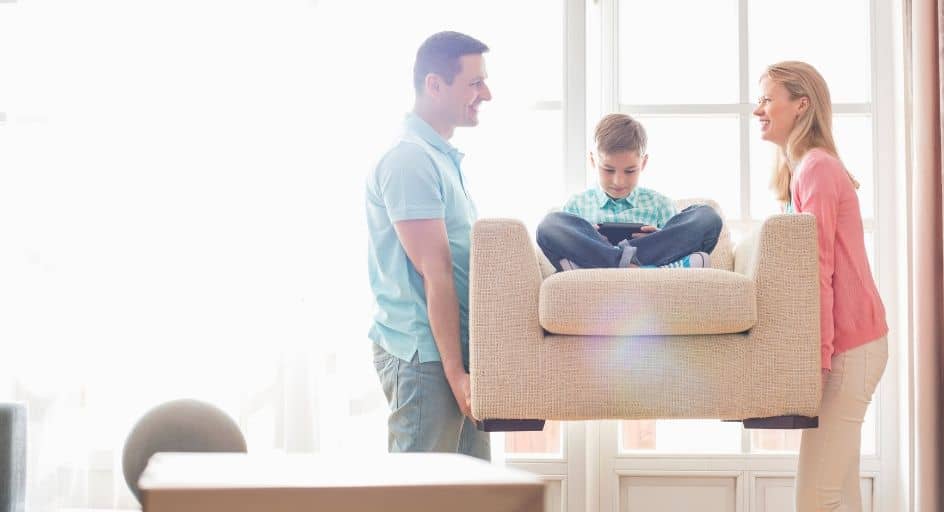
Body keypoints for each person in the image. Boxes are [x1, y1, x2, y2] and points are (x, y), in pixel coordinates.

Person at [753, 61, 888, 511]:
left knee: (816, 497)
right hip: (857, 344)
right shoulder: (806, 171)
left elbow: (818, 269)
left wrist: (818, 358)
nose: (759, 110)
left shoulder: (816, 168)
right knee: (839, 493)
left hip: (851, 348)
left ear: (801, 105)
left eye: (768, 98)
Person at [364, 31, 492, 460]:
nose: (486, 94)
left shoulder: (440, 157)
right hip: (427, 359)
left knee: (472, 496)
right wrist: (457, 376)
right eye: (475, 83)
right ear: (435, 84)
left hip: (454, 355)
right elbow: (435, 273)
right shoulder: (410, 159)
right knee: (419, 498)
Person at [536, 113, 722, 271]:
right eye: (608, 170)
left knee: (707, 217)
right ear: (593, 161)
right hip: (619, 267)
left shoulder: (660, 204)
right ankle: (628, 265)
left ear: (644, 163)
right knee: (549, 224)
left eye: (630, 171)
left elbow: (676, 244)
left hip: (625, 264)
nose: (619, 181)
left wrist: (658, 237)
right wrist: (587, 236)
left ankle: (617, 264)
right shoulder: (577, 204)